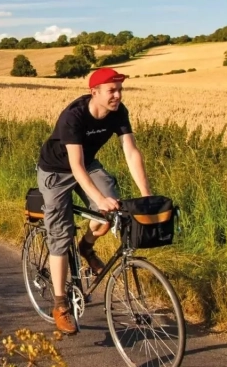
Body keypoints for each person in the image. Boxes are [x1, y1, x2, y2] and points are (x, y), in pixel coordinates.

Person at [36, 67, 153, 335]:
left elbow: (131, 151)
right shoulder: (73, 116)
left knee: (111, 212)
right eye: (112, 90)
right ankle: (60, 304)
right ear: (95, 92)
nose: (118, 95)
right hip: (56, 170)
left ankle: (87, 248)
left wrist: (146, 194)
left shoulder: (118, 112)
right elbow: (74, 167)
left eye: (120, 89)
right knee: (60, 234)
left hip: (88, 165)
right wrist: (98, 198)